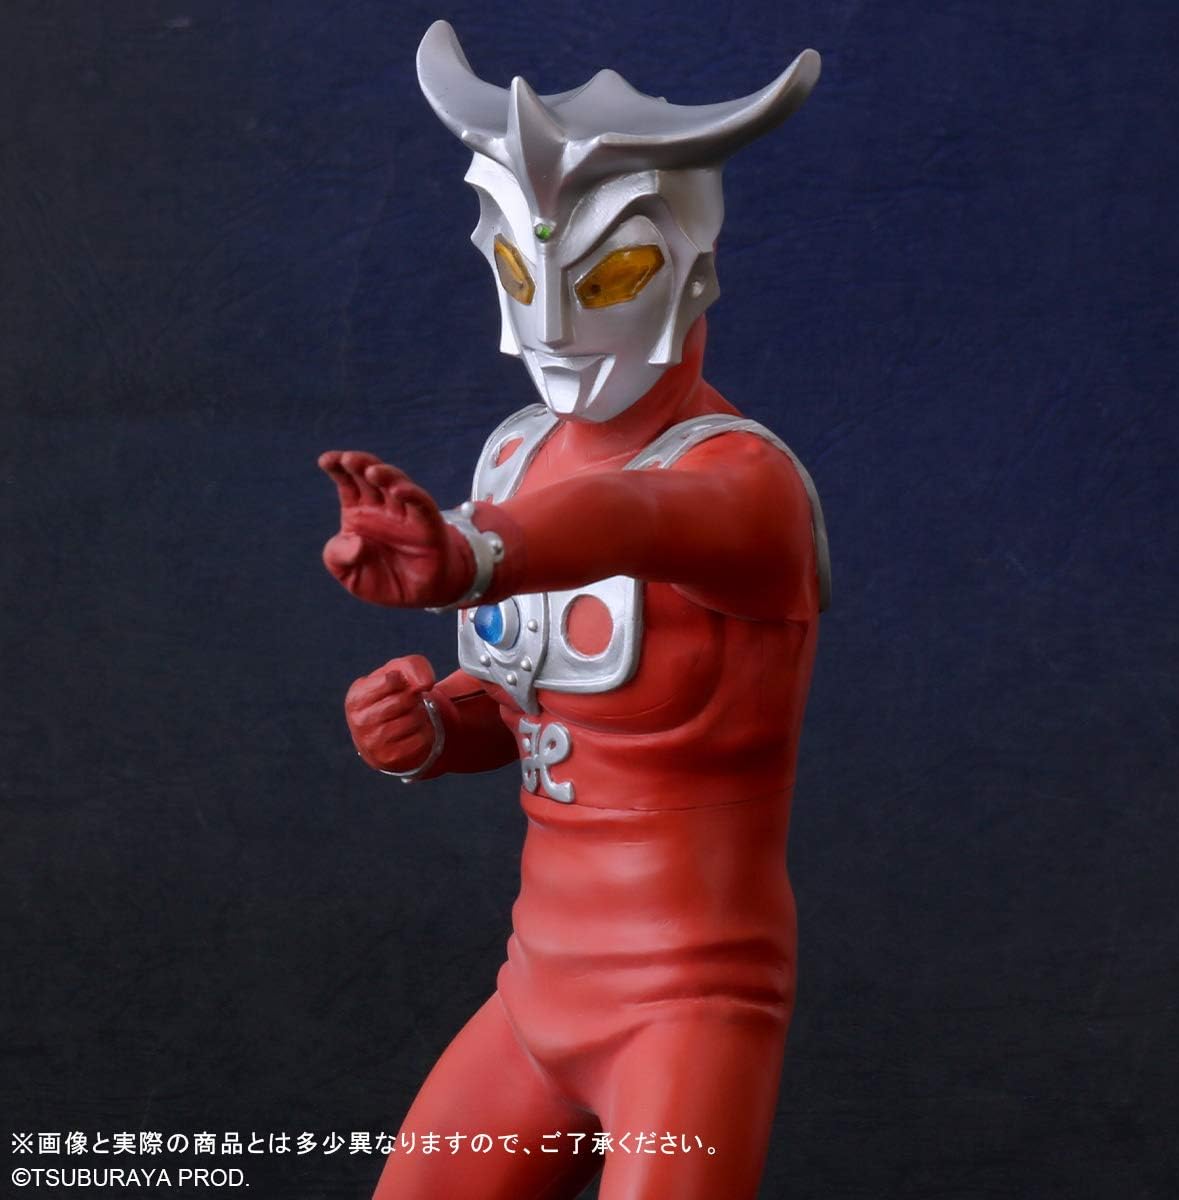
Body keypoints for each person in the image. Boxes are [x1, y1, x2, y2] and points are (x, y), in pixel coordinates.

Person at [319, 21, 830, 1199]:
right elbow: (534, 708)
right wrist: (432, 727)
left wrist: (476, 555)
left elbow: (636, 520)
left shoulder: (745, 484)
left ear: (688, 264)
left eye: (605, 280)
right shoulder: (515, 454)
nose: (551, 322)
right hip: (536, 987)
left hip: (691, 1000)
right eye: (518, 271)